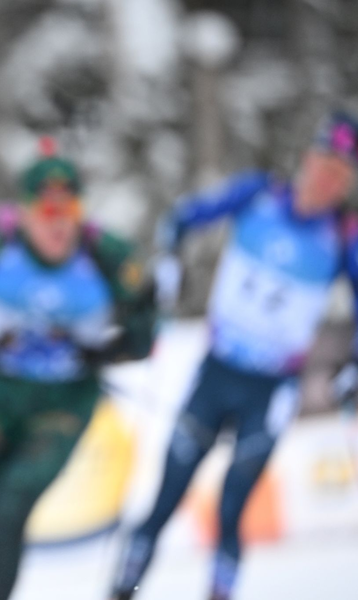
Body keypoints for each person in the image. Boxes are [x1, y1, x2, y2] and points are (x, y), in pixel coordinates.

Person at [109, 109, 358, 600]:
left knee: (231, 511)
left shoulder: (343, 236)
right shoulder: (257, 194)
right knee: (164, 499)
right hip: (215, 374)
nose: (327, 180)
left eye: (341, 174)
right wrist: (168, 265)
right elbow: (181, 219)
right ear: (307, 159)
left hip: (270, 391)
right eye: (324, 164)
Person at [0, 146, 157, 600]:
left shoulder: (108, 256)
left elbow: (145, 338)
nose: (56, 222)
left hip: (63, 404)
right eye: (45, 209)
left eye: (67, 210)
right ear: (24, 211)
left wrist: (107, 348)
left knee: (11, 507)